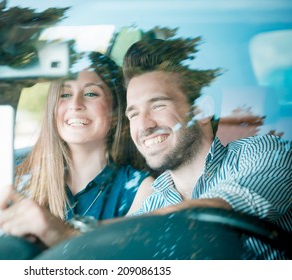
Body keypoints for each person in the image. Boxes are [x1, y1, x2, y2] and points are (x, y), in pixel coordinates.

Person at [0, 51, 155, 245]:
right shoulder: (17, 180)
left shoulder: (140, 189)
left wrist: (60, 234)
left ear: (115, 113)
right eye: (64, 94)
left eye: (91, 93)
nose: (75, 105)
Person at [122, 37, 292, 259]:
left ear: (202, 110)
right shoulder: (152, 205)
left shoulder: (265, 153)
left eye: (158, 105)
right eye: (134, 114)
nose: (144, 125)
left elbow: (218, 209)